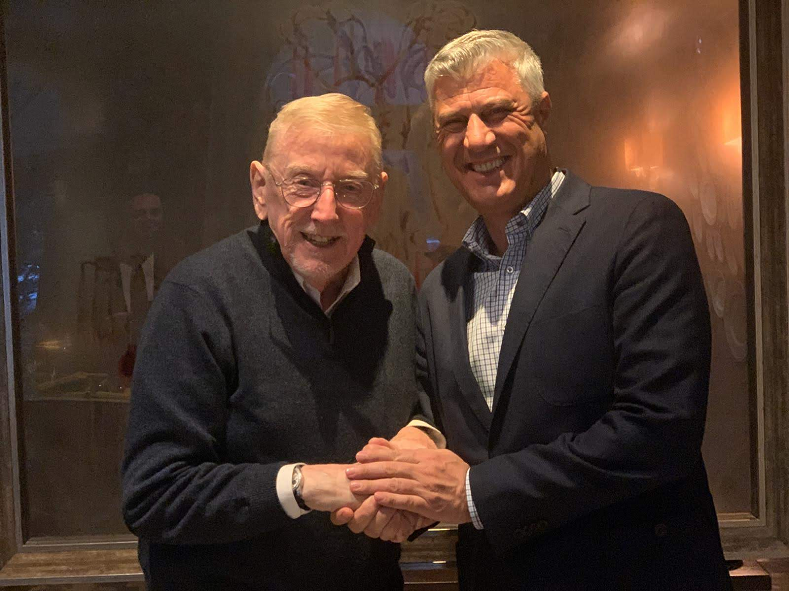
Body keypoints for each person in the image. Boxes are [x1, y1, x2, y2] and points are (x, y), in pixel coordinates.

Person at [341, 30, 733, 590]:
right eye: (453, 122)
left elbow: (659, 429)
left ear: (542, 111)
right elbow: (444, 439)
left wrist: (473, 493)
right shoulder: (440, 289)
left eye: (497, 112)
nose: (476, 138)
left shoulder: (638, 229)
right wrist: (401, 487)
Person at [121, 93, 439, 591]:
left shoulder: (395, 286)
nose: (326, 212)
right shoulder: (197, 295)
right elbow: (154, 494)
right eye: (303, 183)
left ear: (377, 196)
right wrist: (304, 485)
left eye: (350, 188)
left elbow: (418, 409)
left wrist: (421, 445)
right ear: (260, 188)